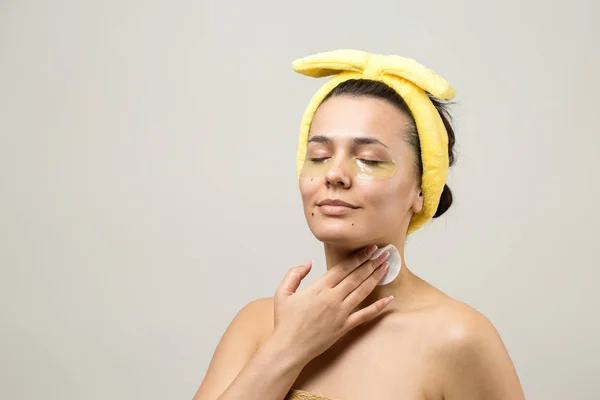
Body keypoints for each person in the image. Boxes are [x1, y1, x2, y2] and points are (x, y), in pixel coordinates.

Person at [193, 50, 525, 400]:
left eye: (369, 160)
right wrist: (289, 347)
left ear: (421, 190)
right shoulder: (257, 325)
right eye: (318, 157)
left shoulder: (458, 338)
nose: (334, 174)